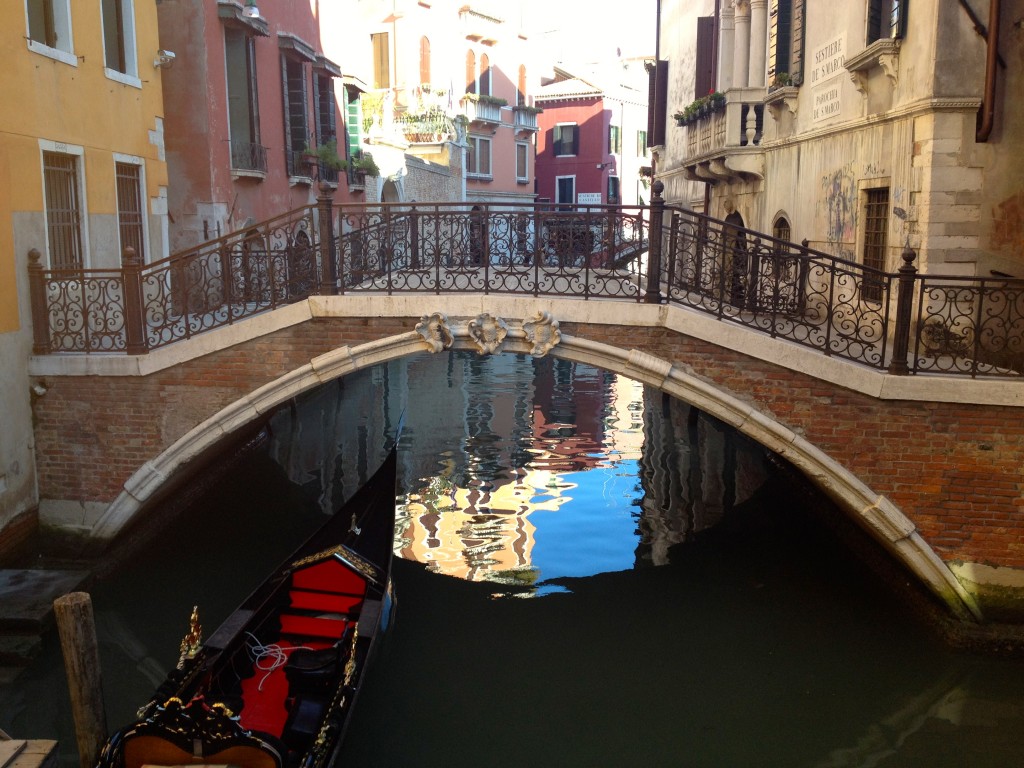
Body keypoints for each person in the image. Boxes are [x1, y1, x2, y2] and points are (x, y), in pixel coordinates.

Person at [722, 199, 747, 306]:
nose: (726, 209)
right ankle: (727, 295)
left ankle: (736, 296)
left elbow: (741, 235)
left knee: (735, 274)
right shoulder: (728, 218)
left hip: (736, 250)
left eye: (726, 207)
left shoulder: (737, 217)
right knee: (727, 272)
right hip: (727, 249)